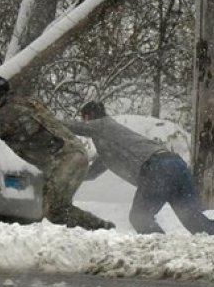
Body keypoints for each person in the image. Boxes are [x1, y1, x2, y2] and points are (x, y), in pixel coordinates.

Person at [0, 76, 114, 230]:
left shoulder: (7, 115)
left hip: (67, 159)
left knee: (55, 210)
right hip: (72, 153)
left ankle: (101, 228)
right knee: (44, 204)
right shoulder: (26, 102)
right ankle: (86, 232)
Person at [67, 101, 214, 235]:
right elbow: (91, 173)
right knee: (194, 220)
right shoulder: (108, 149)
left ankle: (160, 250)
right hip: (176, 165)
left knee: (140, 217)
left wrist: (47, 123)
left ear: (89, 116)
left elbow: (73, 127)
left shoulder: (103, 124)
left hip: (158, 168)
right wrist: (66, 176)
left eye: (84, 118)